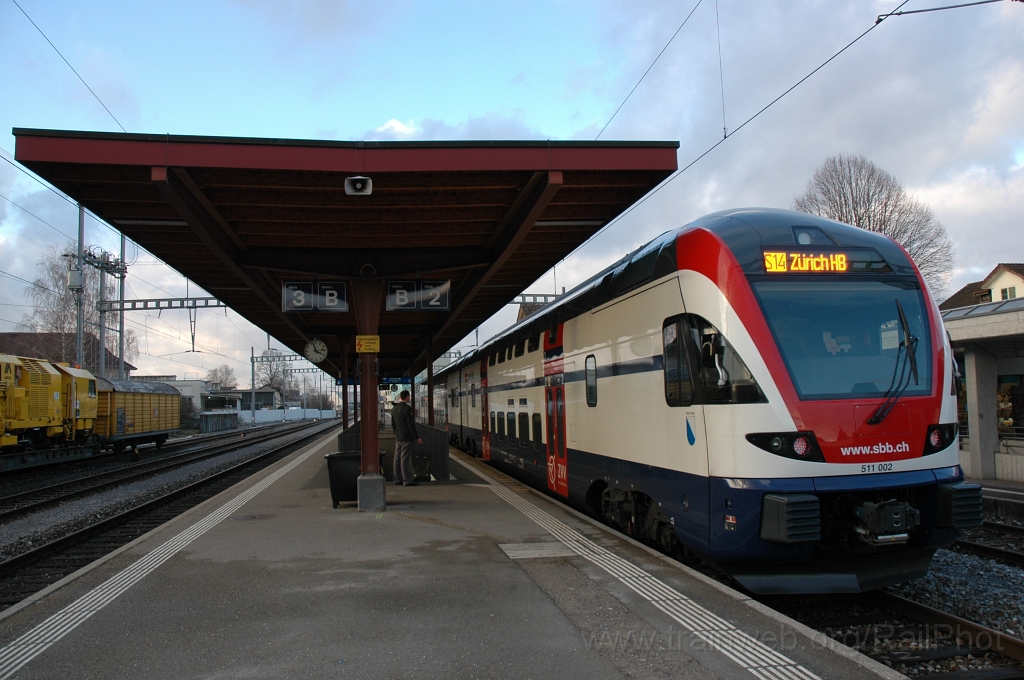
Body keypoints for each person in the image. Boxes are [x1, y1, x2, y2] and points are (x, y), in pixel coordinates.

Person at [391, 390, 422, 486]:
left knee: (397, 458)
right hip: (407, 438)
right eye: (409, 396)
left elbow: (393, 424)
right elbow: (411, 425)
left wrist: (396, 434)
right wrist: (417, 438)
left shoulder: (395, 409)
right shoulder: (407, 409)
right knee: (405, 459)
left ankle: (397, 479)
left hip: (398, 437)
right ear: (407, 397)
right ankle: (407, 480)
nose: (410, 398)